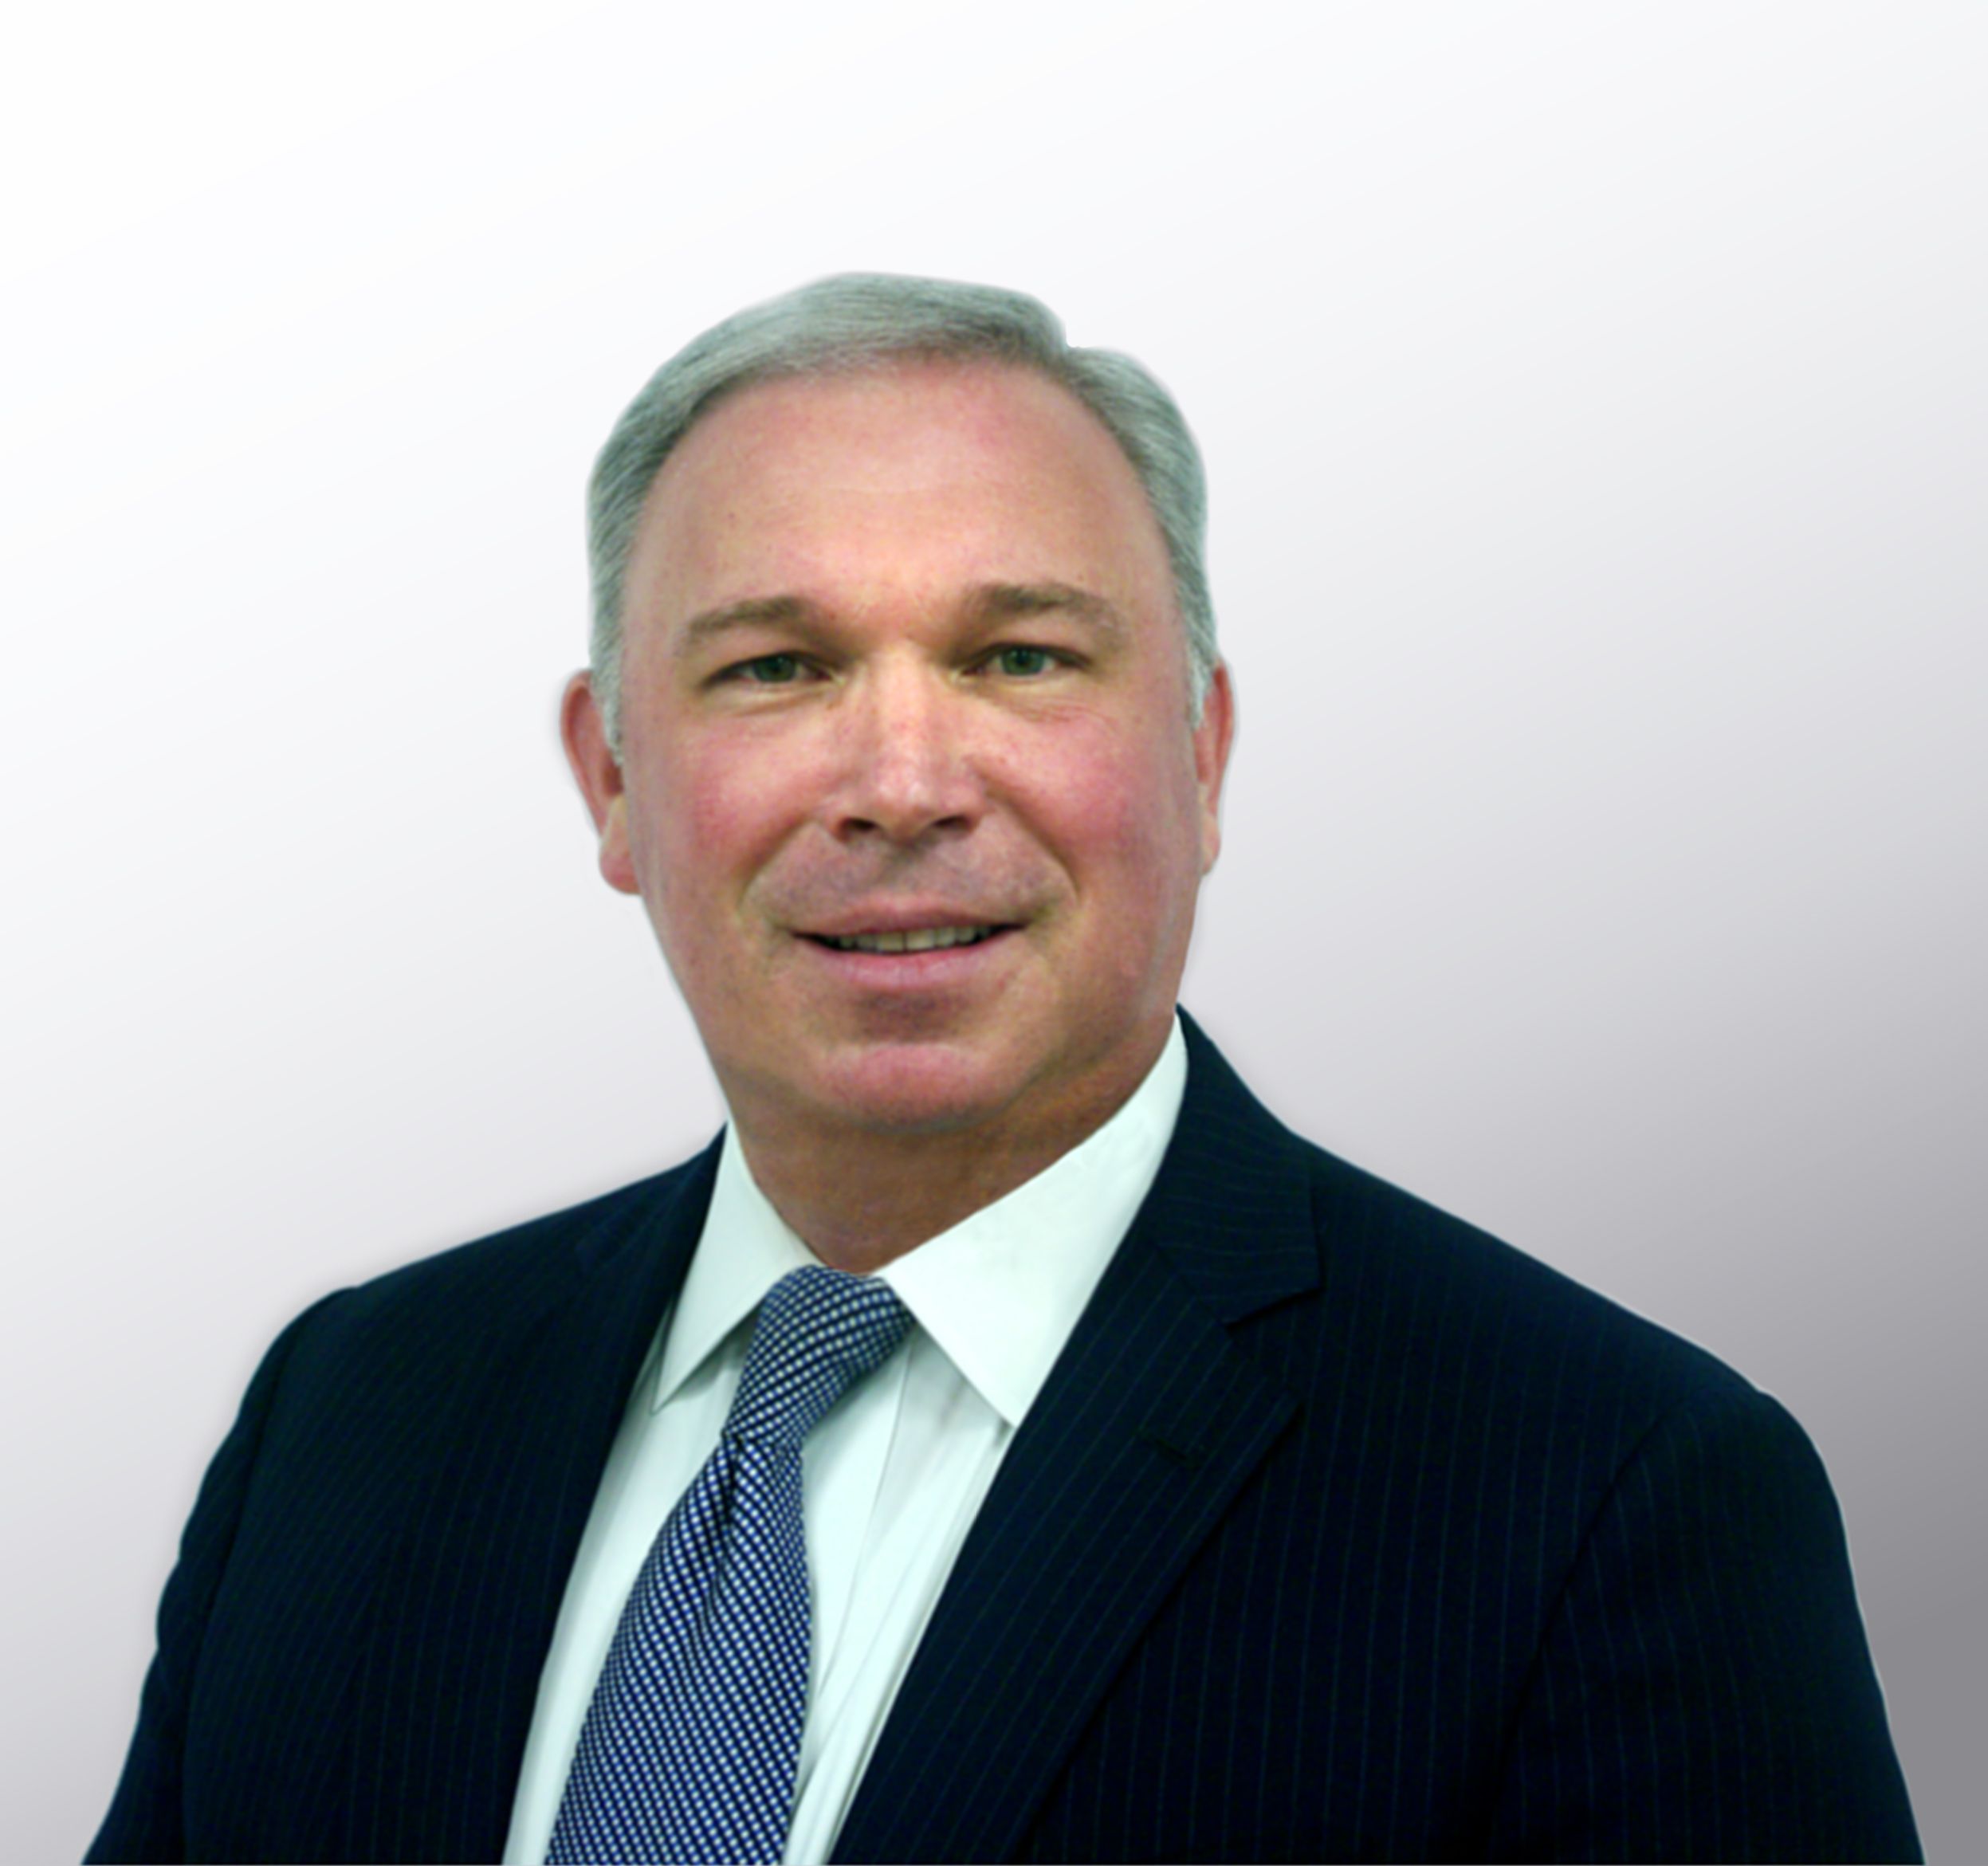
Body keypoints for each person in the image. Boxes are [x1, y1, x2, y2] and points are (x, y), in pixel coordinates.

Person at [89, 274, 1919, 1864]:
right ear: (614, 780)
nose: (901, 785)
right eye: (777, 667)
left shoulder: (1605, 1499)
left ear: (1200, 755)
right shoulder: (350, 1412)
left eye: (1019, 654)